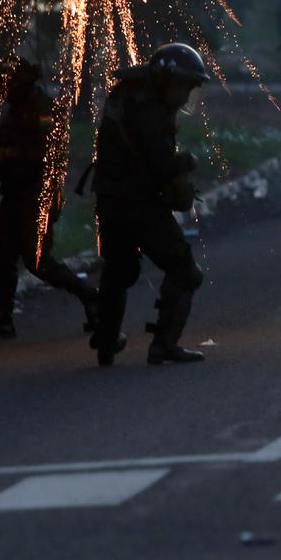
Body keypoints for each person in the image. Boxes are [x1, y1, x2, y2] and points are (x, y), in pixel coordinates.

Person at [88, 44, 210, 367]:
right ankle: (164, 345)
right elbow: (159, 164)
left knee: (119, 269)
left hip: (111, 199)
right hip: (138, 203)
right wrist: (186, 161)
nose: (186, 97)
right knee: (185, 272)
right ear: (166, 79)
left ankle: (107, 342)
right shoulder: (150, 109)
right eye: (184, 86)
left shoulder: (130, 94)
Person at [0, 58, 98, 341]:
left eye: (4, 85)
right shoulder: (16, 110)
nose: (0, 91)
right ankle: (3, 320)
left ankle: (91, 297)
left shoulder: (42, 108)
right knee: (1, 257)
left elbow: (48, 154)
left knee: (37, 261)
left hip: (38, 194)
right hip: (16, 192)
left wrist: (11, 154)